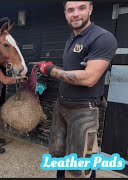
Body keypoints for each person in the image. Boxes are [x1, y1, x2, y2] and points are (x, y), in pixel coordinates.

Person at [35, 1, 118, 178]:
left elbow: (89, 78)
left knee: (80, 166)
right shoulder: (71, 39)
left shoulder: (102, 38)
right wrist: (50, 66)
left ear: (90, 9)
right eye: (70, 10)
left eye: (81, 8)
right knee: (59, 155)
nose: (75, 14)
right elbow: (72, 71)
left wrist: (51, 70)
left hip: (83, 111)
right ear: (65, 13)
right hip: (62, 106)